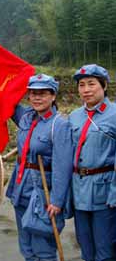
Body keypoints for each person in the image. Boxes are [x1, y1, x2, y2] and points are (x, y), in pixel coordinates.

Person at [6, 74, 73, 261]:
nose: (37, 97)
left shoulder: (59, 125)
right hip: (20, 189)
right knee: (26, 247)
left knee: (43, 248)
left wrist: (57, 201)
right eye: (33, 93)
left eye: (42, 93)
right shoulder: (26, 117)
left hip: (44, 192)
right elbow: (6, 100)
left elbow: (63, 166)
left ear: (53, 96)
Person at [69, 64, 116, 261]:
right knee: (85, 246)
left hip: (105, 192)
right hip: (80, 191)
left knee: (105, 250)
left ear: (104, 85)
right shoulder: (74, 116)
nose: (86, 90)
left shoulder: (114, 114)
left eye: (91, 84)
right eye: (81, 85)